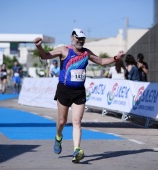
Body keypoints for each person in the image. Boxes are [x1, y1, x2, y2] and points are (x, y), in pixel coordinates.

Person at [34, 28, 125, 163]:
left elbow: (100, 61)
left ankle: (76, 150)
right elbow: (45, 56)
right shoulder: (64, 50)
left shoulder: (86, 53)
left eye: (83, 39)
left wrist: (116, 58)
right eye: (78, 38)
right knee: (62, 121)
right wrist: (39, 46)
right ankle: (58, 137)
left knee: (77, 121)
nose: (80, 41)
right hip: (64, 90)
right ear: (72, 37)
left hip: (79, 92)